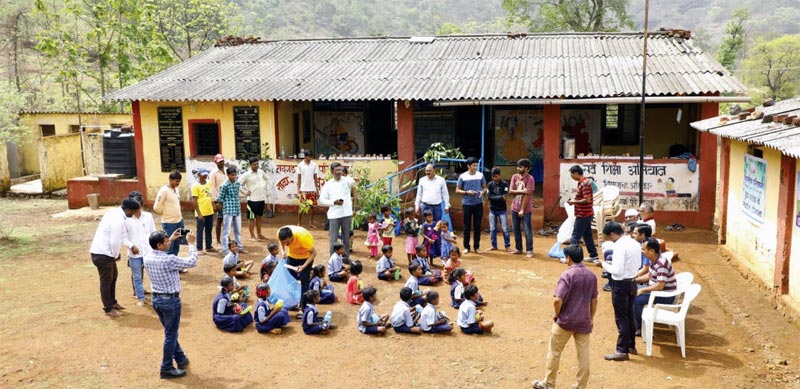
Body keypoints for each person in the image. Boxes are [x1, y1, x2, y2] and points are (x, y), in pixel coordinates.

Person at [531, 244, 598, 389]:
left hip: (565, 321)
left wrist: (557, 315)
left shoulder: (568, 275)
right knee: (583, 356)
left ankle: (549, 383)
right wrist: (591, 318)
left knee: (555, 352)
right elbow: (594, 300)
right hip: (583, 321)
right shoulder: (592, 276)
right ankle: (581, 386)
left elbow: (557, 299)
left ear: (569, 258)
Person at [143, 230, 198, 379]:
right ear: (159, 245)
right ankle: (166, 367)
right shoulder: (169, 260)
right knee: (171, 334)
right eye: (166, 241)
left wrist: (172, 239)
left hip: (157, 300)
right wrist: (191, 244)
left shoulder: (147, 256)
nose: (169, 242)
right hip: (170, 301)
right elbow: (192, 262)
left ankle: (180, 358)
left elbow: (157, 250)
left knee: (170, 332)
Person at [597, 221, 642, 361]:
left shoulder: (619, 246)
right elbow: (636, 264)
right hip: (632, 282)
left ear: (612, 234)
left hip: (620, 284)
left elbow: (617, 270)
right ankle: (630, 345)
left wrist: (603, 264)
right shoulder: (634, 243)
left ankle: (622, 350)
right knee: (629, 314)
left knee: (621, 317)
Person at [90, 198, 140, 317]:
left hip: (105, 253)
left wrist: (131, 245)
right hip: (103, 254)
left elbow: (122, 236)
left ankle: (113, 302)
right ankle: (108, 308)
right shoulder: (118, 219)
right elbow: (114, 241)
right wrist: (115, 255)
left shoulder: (115, 213)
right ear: (127, 210)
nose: (133, 215)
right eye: (132, 212)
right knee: (106, 281)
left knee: (113, 277)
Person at [633, 237, 676, 333]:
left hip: (665, 295)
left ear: (651, 251)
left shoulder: (661, 264)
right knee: (631, 290)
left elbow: (660, 286)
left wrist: (642, 290)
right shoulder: (654, 259)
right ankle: (634, 320)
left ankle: (640, 328)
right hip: (656, 291)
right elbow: (649, 275)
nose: (642, 251)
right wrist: (634, 280)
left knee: (636, 299)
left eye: (644, 249)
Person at [319, 162, 356, 260]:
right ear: (332, 172)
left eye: (340, 170)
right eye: (337, 170)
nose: (339, 172)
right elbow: (322, 200)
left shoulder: (346, 181)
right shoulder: (328, 184)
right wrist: (333, 202)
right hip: (334, 214)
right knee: (333, 239)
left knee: (346, 238)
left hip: (347, 213)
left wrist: (347, 176)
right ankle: (333, 259)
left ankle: (346, 258)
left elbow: (353, 181)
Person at [124, 192, 156, 307]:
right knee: (137, 276)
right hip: (134, 253)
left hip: (148, 251)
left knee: (153, 275)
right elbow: (123, 236)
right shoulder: (126, 219)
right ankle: (140, 298)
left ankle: (156, 297)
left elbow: (153, 232)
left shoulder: (148, 216)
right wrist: (131, 246)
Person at [567, 165, 599, 262]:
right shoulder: (582, 182)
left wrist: (574, 202)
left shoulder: (584, 184)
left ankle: (571, 257)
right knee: (587, 235)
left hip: (583, 214)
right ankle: (593, 255)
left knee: (575, 236)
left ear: (576, 173)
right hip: (586, 213)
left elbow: (587, 200)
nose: (571, 176)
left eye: (572, 174)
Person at [456, 157, 487, 254]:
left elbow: (485, 187)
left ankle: (476, 247)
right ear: (468, 166)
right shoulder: (463, 176)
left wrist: (482, 192)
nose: (476, 167)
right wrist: (466, 192)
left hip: (478, 203)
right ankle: (466, 247)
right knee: (467, 226)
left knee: (477, 226)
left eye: (476, 165)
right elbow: (457, 190)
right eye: (474, 165)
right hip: (467, 204)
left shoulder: (480, 175)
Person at [277, 225, 317, 294]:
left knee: (304, 279)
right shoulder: (279, 233)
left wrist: (303, 266)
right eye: (284, 242)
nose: (286, 244)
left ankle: (304, 301)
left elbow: (313, 253)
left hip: (305, 257)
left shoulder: (303, 238)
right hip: (291, 256)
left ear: (292, 236)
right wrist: (283, 251)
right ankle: (293, 297)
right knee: (290, 277)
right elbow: (281, 242)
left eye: (287, 242)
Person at [153, 170, 184, 256]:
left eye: (179, 181)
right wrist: (166, 213)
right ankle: (169, 267)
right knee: (169, 245)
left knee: (177, 244)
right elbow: (156, 207)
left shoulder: (176, 189)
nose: (178, 183)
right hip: (169, 223)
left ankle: (175, 265)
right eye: (176, 181)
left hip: (179, 221)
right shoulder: (164, 190)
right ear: (170, 179)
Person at [238, 156, 269, 241]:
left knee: (259, 217)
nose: (256, 166)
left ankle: (259, 234)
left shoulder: (261, 172)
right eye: (254, 164)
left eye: (257, 164)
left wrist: (264, 186)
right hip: (252, 200)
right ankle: (252, 236)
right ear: (250, 165)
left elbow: (267, 179)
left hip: (261, 199)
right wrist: (245, 192)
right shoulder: (246, 175)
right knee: (251, 218)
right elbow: (238, 184)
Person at [509, 158, 535, 258]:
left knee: (527, 230)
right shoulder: (515, 177)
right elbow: (511, 191)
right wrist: (523, 191)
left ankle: (529, 250)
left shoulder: (530, 179)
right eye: (518, 166)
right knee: (516, 229)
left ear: (526, 168)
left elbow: (528, 194)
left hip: (526, 209)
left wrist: (522, 209)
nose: (518, 168)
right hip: (514, 207)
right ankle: (518, 248)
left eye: (520, 167)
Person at [217, 166, 245, 256]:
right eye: (232, 175)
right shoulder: (224, 185)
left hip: (236, 209)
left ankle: (239, 247)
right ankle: (225, 250)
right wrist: (220, 209)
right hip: (228, 210)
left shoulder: (237, 184)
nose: (234, 177)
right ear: (228, 175)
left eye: (235, 175)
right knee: (226, 231)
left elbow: (237, 195)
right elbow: (220, 198)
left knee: (238, 230)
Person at [191, 168, 216, 254]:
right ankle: (199, 248)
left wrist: (213, 206)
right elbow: (194, 200)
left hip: (209, 211)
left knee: (209, 230)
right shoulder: (195, 186)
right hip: (201, 212)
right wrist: (199, 214)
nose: (205, 176)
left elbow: (210, 195)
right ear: (198, 175)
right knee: (200, 231)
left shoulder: (209, 183)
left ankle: (209, 246)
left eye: (206, 174)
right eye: (203, 175)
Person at [487, 167, 511, 252]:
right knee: (492, 228)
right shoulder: (490, 184)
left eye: (496, 176)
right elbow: (489, 197)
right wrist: (500, 197)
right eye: (493, 176)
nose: (494, 178)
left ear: (499, 175)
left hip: (502, 210)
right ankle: (494, 245)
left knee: (505, 228)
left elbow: (504, 196)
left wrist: (496, 197)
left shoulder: (505, 184)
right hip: (492, 209)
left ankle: (507, 246)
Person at [296, 150, 320, 228]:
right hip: (303, 189)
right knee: (302, 207)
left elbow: (315, 177)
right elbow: (299, 178)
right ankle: (299, 223)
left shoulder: (314, 165)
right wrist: (298, 190)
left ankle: (310, 223)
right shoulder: (300, 165)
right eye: (309, 156)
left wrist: (317, 189)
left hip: (312, 189)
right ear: (305, 156)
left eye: (311, 156)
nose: (310, 158)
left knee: (312, 207)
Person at [210, 154, 228, 248]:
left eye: (222, 161)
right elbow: (212, 188)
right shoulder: (213, 173)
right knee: (220, 220)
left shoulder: (226, 171)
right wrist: (215, 202)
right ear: (215, 162)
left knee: (228, 220)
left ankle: (227, 238)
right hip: (219, 200)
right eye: (220, 161)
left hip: (227, 199)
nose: (222, 163)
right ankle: (218, 240)